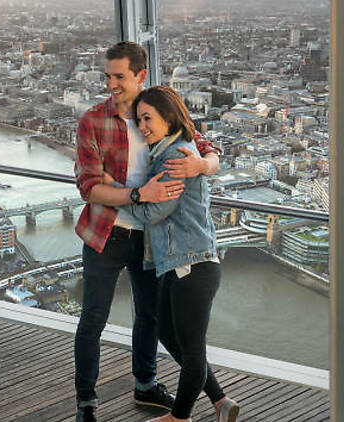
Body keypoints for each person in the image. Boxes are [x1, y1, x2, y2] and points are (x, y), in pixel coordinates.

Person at [73, 41, 221, 422]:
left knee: (150, 317)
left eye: (119, 77)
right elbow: (89, 187)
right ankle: (86, 403)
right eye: (108, 76)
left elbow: (208, 150)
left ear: (140, 75)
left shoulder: (159, 113)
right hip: (106, 234)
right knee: (93, 320)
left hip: (152, 239)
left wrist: (201, 167)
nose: (112, 85)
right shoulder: (92, 120)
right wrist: (141, 193)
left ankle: (146, 383)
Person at [118, 86, 239, 422]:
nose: (142, 125)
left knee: (192, 347)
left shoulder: (175, 157)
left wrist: (131, 199)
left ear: (168, 116)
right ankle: (220, 401)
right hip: (181, 263)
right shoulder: (171, 151)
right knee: (169, 333)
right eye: (139, 119)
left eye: (148, 118)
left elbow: (157, 211)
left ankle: (180, 417)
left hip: (192, 264)